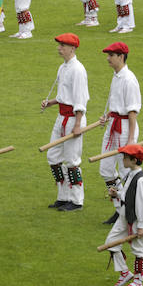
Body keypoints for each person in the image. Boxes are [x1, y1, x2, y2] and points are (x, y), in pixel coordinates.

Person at [42, 33, 89, 211]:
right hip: (62, 117)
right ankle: (63, 196)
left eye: (62, 45)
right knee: (53, 157)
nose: (59, 48)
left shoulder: (78, 70)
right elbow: (64, 96)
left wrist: (77, 124)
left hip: (73, 118)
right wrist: (51, 103)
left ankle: (76, 200)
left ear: (72, 48)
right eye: (59, 44)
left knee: (72, 160)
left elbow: (80, 99)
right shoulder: (63, 67)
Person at [96, 42, 141, 224]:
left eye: (111, 55)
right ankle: (119, 206)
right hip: (113, 125)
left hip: (124, 129)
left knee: (125, 172)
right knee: (106, 169)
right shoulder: (116, 76)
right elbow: (116, 103)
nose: (108, 58)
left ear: (121, 57)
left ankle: (128, 210)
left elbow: (132, 111)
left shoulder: (129, 79)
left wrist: (130, 139)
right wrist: (107, 116)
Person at [104, 144, 143, 286]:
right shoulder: (130, 174)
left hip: (136, 219)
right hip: (125, 216)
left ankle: (138, 281)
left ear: (134, 160)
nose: (122, 159)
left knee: (138, 250)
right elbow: (127, 194)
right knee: (111, 242)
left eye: (125, 157)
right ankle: (125, 272)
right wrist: (117, 194)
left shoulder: (141, 180)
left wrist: (141, 226)